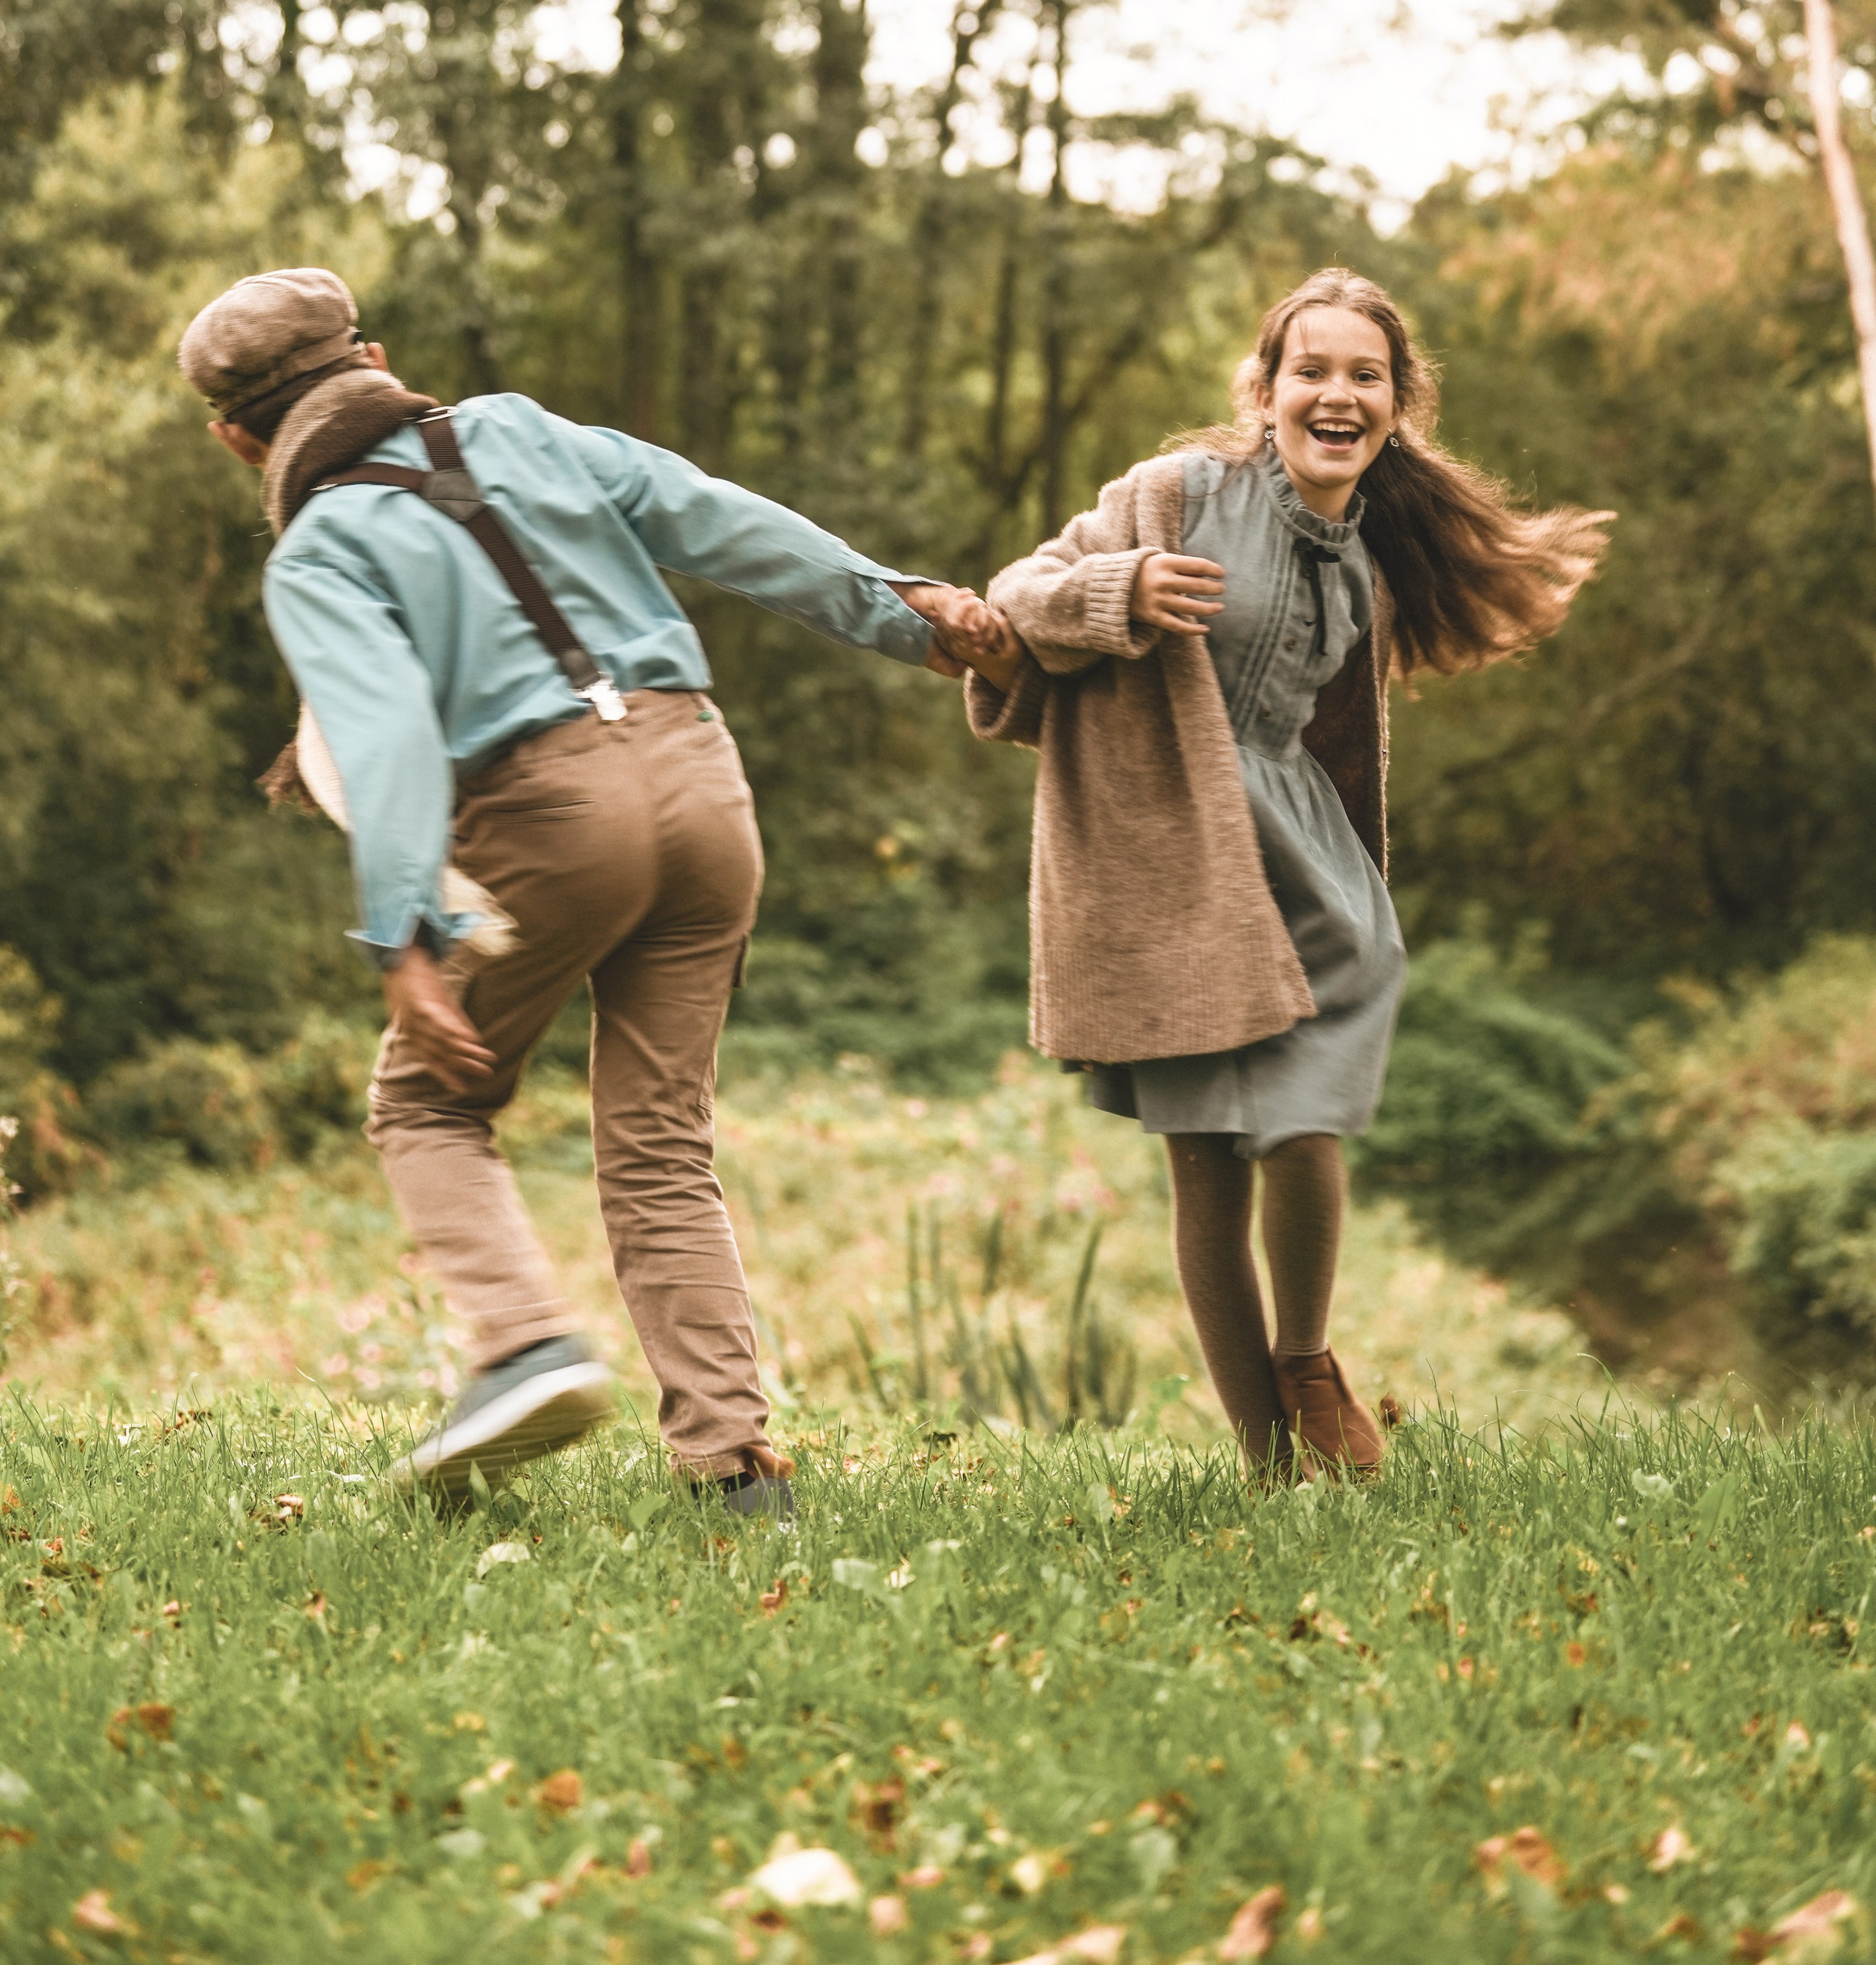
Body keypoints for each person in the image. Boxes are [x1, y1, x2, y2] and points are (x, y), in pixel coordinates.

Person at [179, 266, 1002, 1513]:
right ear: (377, 357)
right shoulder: (520, 427)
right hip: (703, 780)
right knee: (661, 1136)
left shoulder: (321, 549)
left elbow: (390, 732)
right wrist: (902, 609)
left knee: (426, 1108)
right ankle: (734, 1466)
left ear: (239, 438)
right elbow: (719, 517)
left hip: (550, 812)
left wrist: (408, 933)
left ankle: (521, 1350)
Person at [961, 268, 1609, 1481]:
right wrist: (1124, 589)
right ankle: (1267, 1469)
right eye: (1311, 370)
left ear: (1398, 405)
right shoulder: (1178, 495)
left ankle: (1306, 1364)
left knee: (1307, 1116)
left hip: (1310, 867)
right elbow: (1017, 595)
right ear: (1264, 391)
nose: (1336, 393)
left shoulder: (1368, 548)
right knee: (1206, 1157)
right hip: (1181, 859)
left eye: (1364, 375)